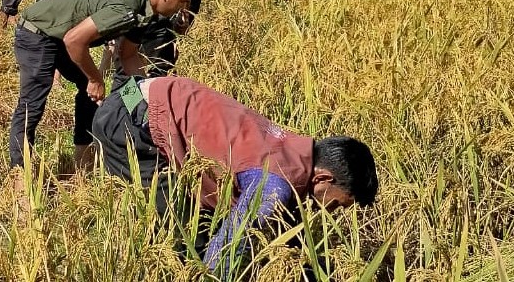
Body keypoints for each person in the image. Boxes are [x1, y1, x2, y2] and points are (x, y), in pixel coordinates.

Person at [93, 75, 378, 274]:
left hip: (132, 91)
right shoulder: (274, 185)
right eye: (339, 203)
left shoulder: (292, 148)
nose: (332, 212)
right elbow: (226, 251)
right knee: (184, 239)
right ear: (324, 178)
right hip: (127, 122)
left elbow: (287, 230)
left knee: (199, 223)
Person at [9, 0, 208, 173]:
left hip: (60, 35)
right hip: (37, 33)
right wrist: (95, 79)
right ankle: (19, 175)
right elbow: (74, 41)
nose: (183, 9)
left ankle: (82, 159)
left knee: (87, 94)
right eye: (183, 2)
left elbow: (129, 56)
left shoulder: (146, 10)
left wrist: (140, 101)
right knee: (32, 104)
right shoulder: (127, 6)